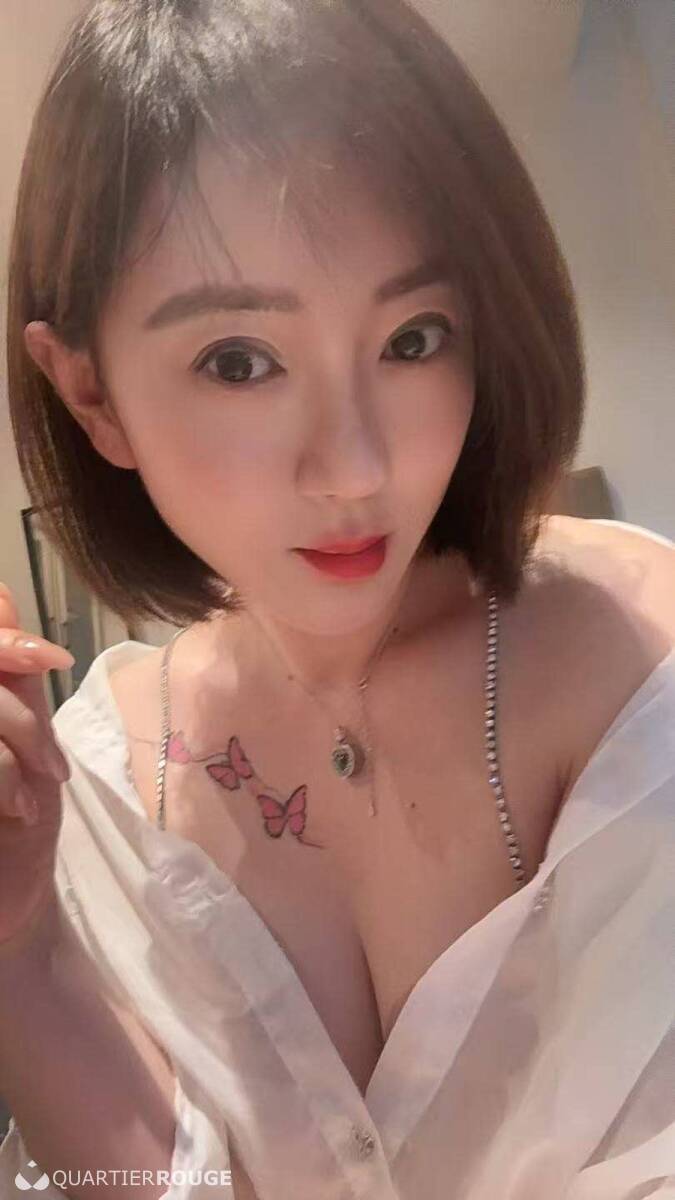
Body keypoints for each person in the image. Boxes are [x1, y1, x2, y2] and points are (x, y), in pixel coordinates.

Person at [0, 1, 673, 1197]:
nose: (356, 470)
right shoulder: (97, 786)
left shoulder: (644, 673)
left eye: (414, 339)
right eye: (239, 362)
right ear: (91, 396)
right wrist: (21, 953)